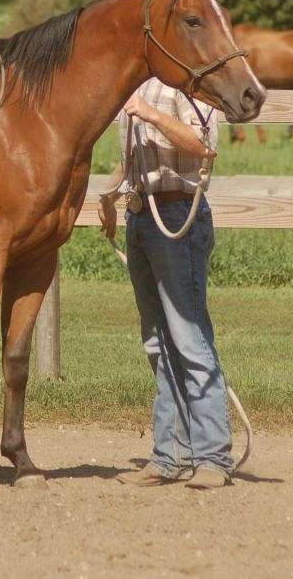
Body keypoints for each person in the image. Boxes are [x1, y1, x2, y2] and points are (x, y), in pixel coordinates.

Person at [98, 77, 233, 489]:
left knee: (189, 338)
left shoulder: (197, 86)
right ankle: (169, 455)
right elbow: (136, 155)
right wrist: (109, 194)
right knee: (158, 341)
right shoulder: (139, 83)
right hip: (140, 215)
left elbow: (203, 147)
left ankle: (213, 456)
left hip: (178, 216)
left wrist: (151, 113)